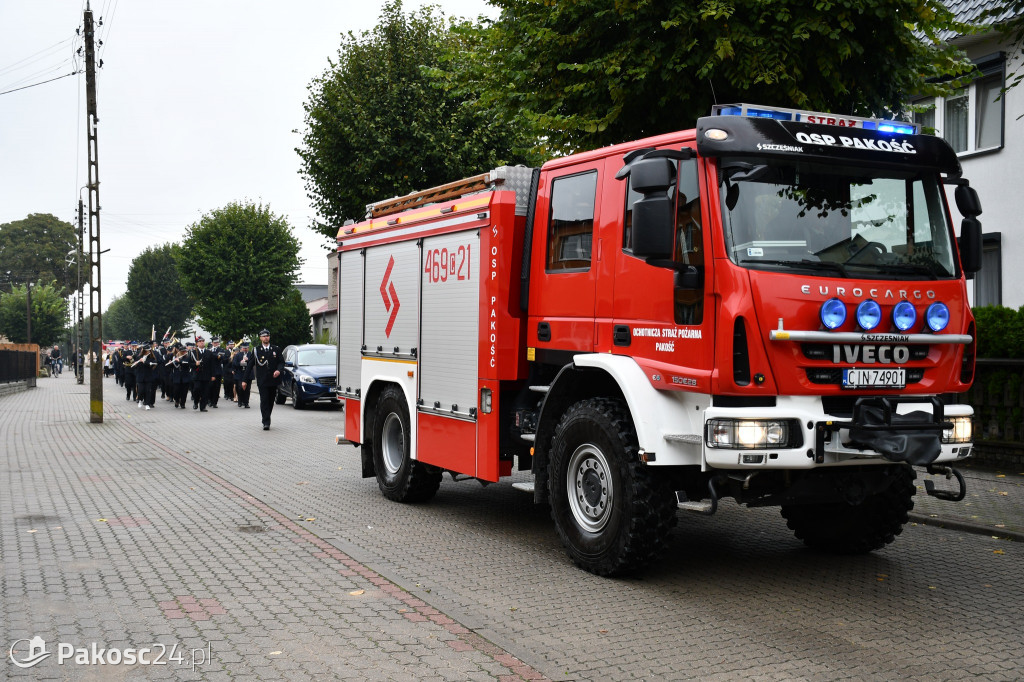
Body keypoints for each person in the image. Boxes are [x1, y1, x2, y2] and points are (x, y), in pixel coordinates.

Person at [253, 329, 284, 430]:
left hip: (273, 380)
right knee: (264, 400)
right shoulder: (256, 350)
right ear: (260, 338)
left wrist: (279, 370)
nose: (266, 337)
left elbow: (281, 362)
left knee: (271, 401)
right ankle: (266, 422)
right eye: (264, 336)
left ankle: (267, 416)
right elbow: (250, 365)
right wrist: (244, 380)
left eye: (267, 336)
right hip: (262, 380)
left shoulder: (276, 349)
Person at [189, 337, 214, 412]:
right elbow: (189, 364)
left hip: (206, 375)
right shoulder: (193, 352)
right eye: (200, 341)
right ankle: (196, 402)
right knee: (196, 389)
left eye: (203, 341)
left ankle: (203, 407)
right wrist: (195, 364)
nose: (202, 342)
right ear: (197, 343)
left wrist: (213, 375)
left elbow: (212, 365)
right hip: (197, 375)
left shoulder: (209, 352)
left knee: (205, 391)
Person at [233, 340, 252, 409]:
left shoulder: (250, 354)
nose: (245, 349)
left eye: (246, 348)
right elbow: (234, 364)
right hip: (240, 374)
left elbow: (253, 363)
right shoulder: (238, 355)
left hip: (248, 374)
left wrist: (247, 360)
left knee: (247, 389)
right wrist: (240, 363)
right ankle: (240, 401)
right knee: (240, 388)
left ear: (248, 348)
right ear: (241, 348)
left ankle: (246, 402)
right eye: (244, 348)